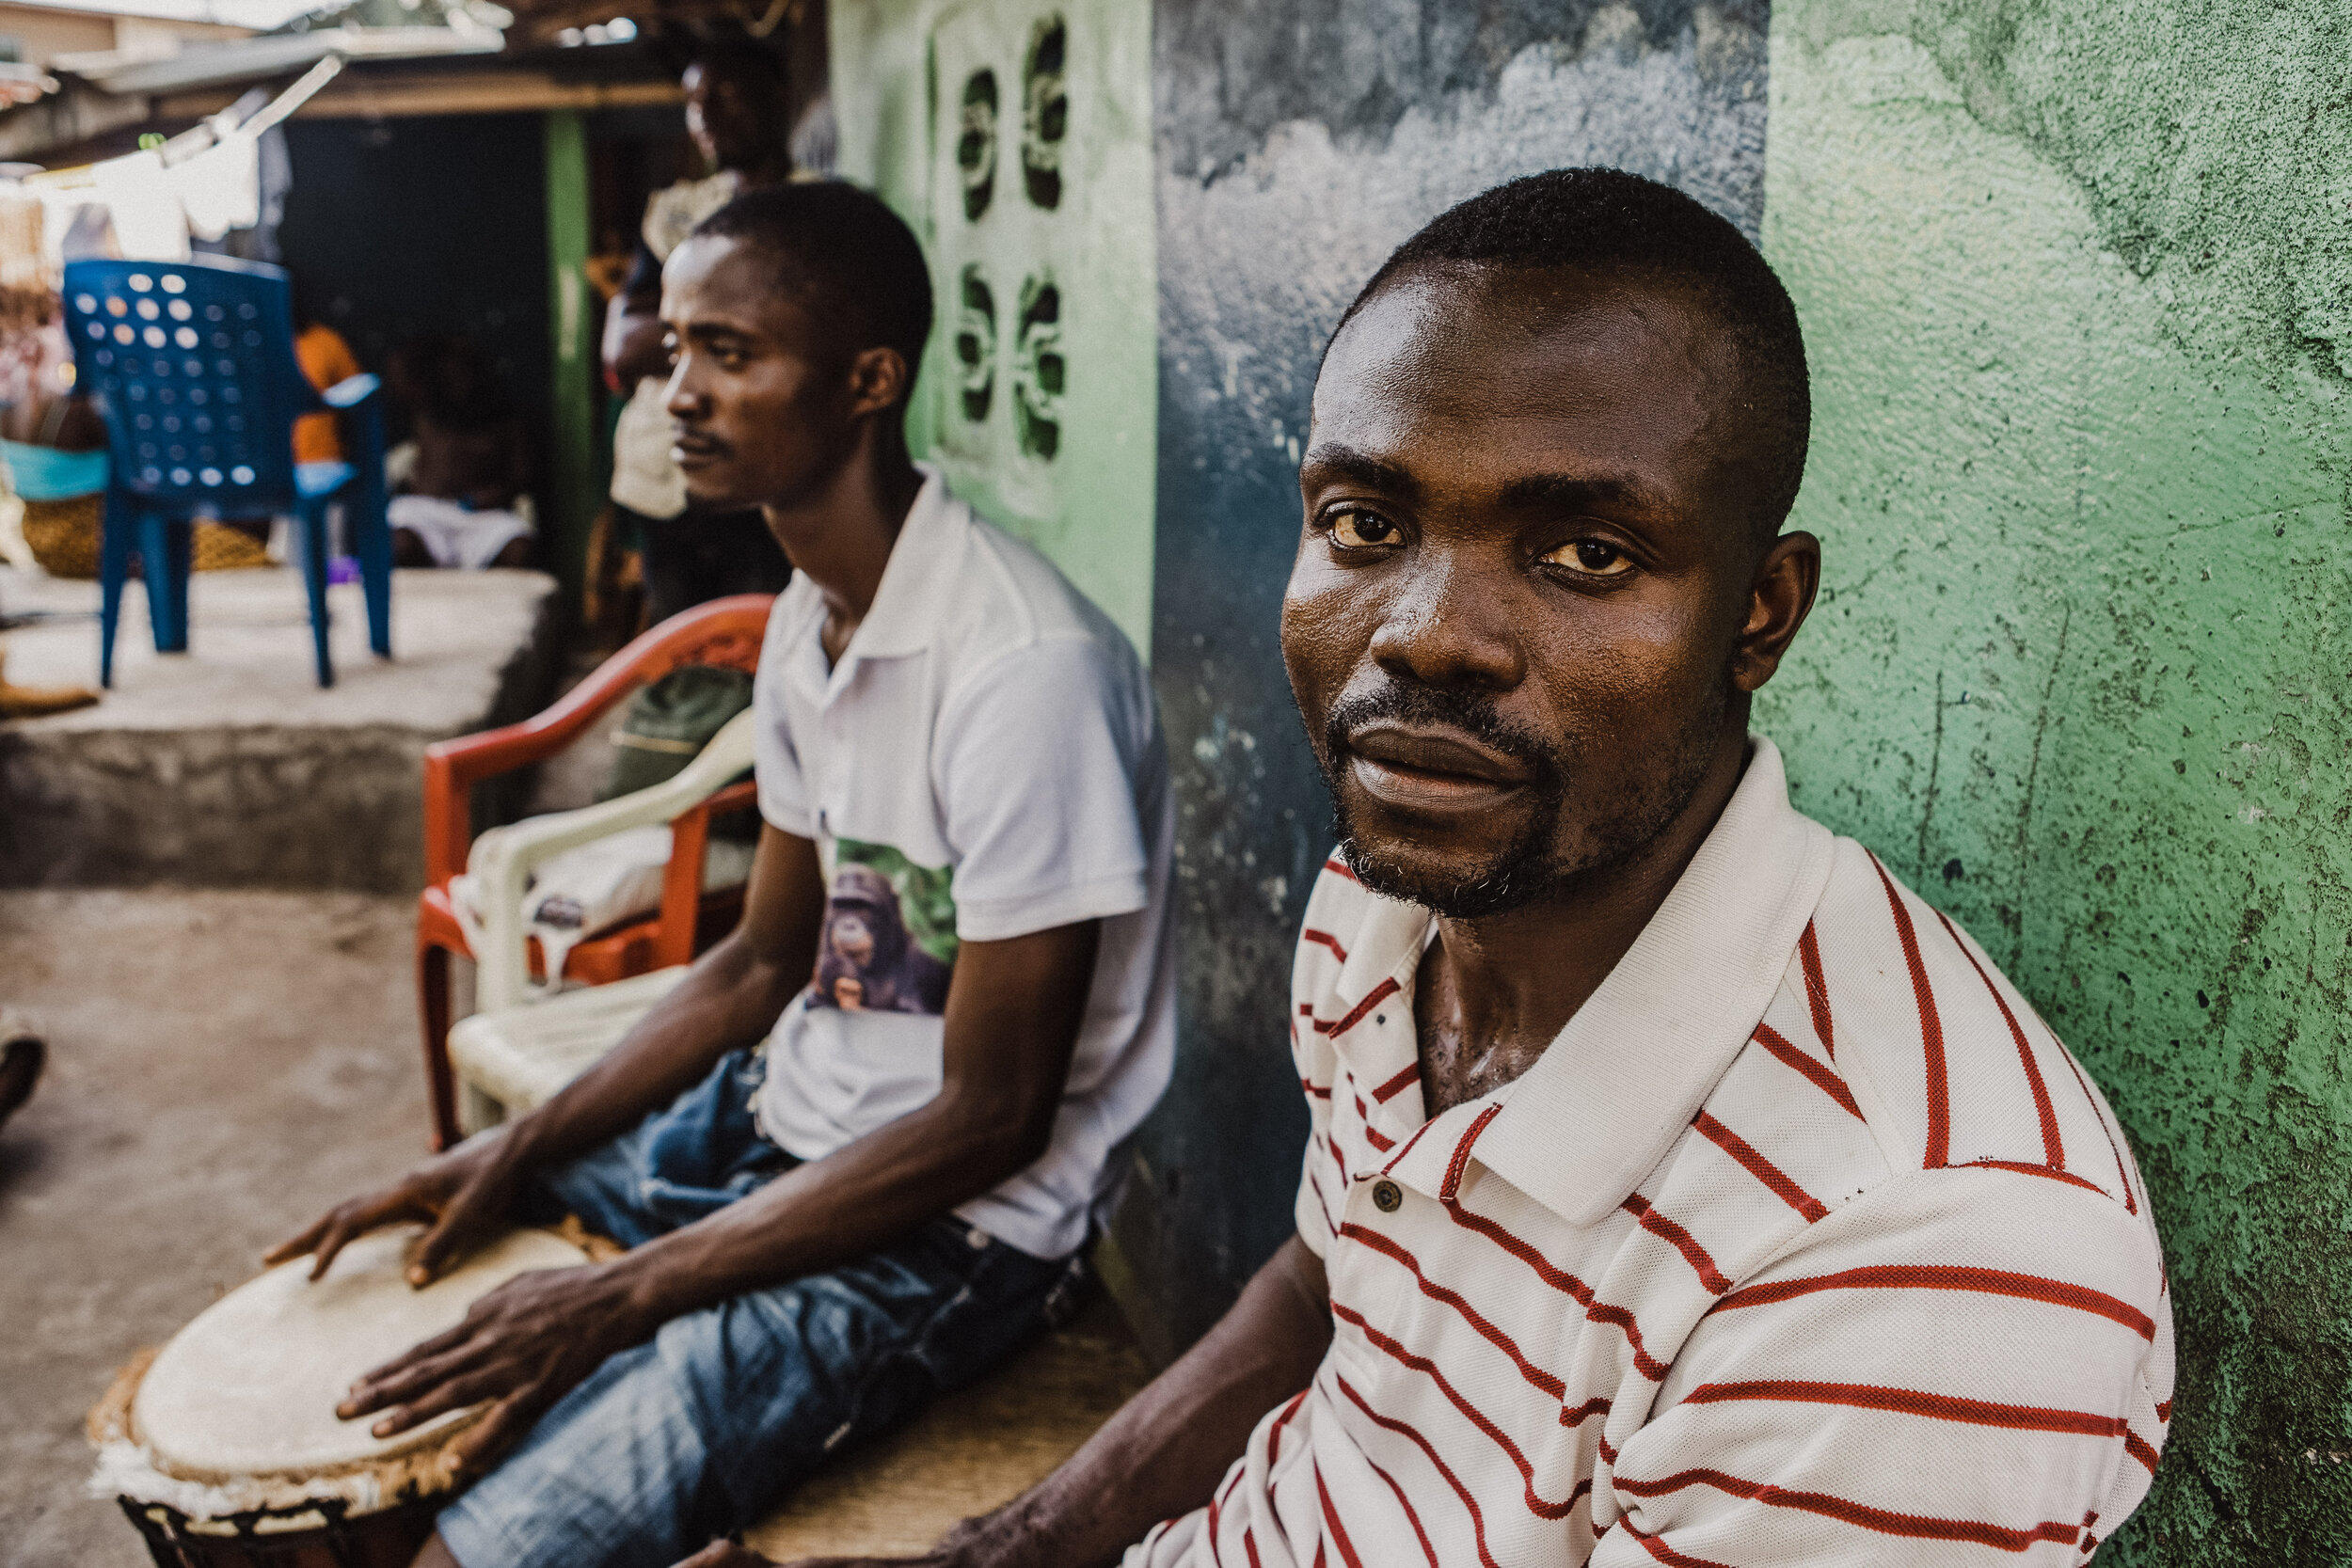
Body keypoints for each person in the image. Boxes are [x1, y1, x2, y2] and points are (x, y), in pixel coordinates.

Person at [683, 169, 2176, 1568]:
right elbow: (1329, 1284)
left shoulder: (1920, 1260)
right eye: (1365, 523)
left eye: (1587, 552)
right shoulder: (1389, 911)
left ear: (1761, 613)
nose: (1424, 632)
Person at [268, 180, 1175, 1568]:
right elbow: (760, 962)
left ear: (870, 379)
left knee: (469, 1548)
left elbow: (993, 1117)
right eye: (675, 347)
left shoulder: (1020, 670)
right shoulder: (810, 623)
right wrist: (516, 1141)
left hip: (944, 1233)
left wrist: (625, 1295)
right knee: (357, 1372)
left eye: (728, 353)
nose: (676, 391)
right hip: (764, 1128)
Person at [604, 43, 798, 625]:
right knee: (680, 647)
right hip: (660, 467)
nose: (705, 117)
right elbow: (622, 348)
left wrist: (673, 333)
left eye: (724, 96)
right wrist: (737, 341)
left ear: (776, 96)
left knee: (762, 639)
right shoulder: (675, 212)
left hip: (766, 468)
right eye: (693, 102)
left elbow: (805, 339)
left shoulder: (817, 211)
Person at [383, 333, 534, 571]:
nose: (458, 384)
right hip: (426, 514)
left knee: (520, 550)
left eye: (464, 375)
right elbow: (399, 369)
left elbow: (520, 478)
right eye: (449, 377)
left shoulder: (507, 423)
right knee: (397, 544)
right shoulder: (428, 411)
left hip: (483, 521)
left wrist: (483, 499)